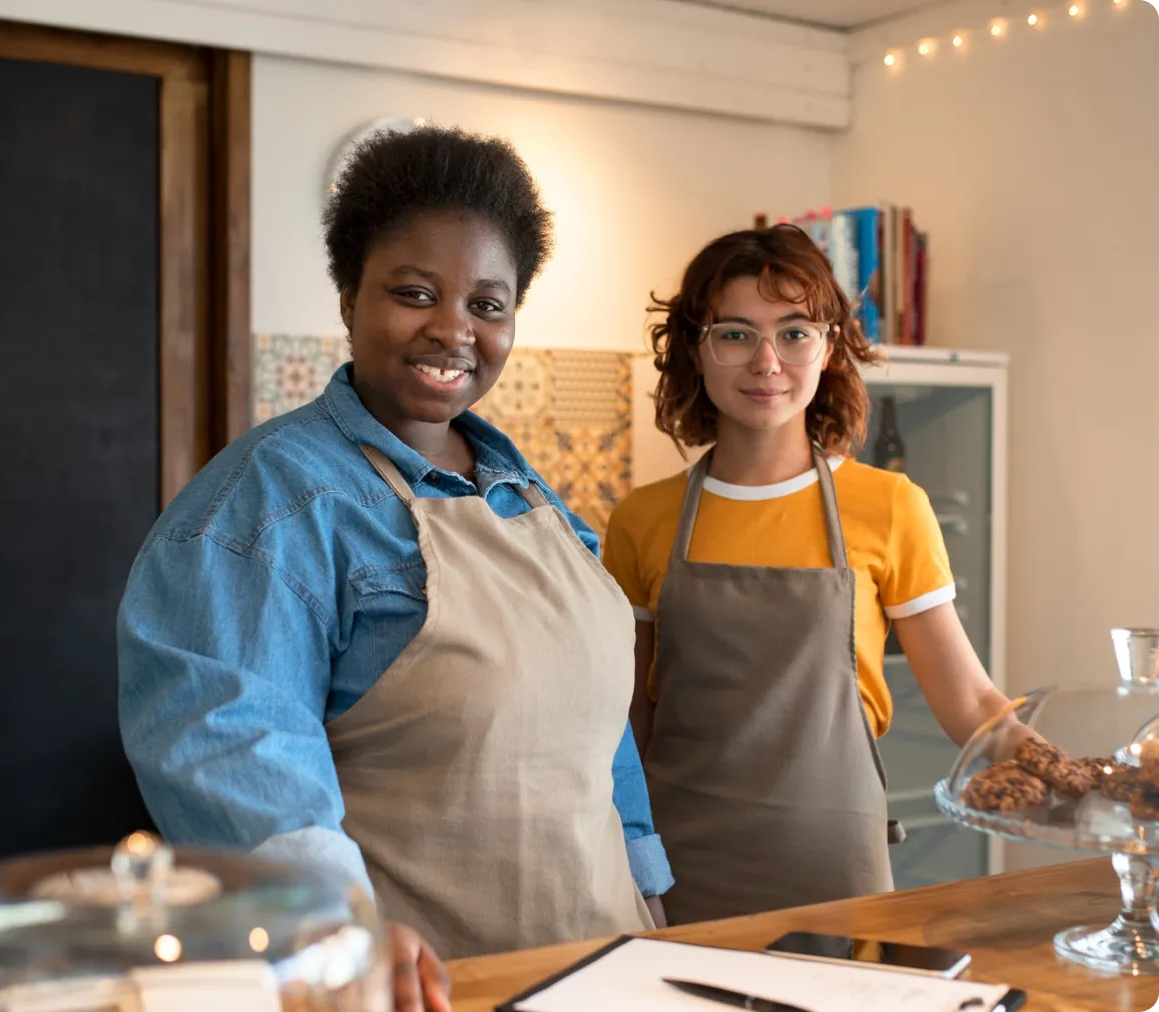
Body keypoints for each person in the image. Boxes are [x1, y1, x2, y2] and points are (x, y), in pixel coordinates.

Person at [117, 125, 672, 1004]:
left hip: (605, 966)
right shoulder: (264, 507)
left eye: (488, 305)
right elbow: (229, 740)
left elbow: (599, 739)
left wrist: (651, 888)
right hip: (421, 986)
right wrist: (336, 927)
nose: (454, 329)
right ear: (347, 297)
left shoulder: (531, 496)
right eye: (415, 293)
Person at [602, 224, 1014, 926]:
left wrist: (1080, 779)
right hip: (678, 870)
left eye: (794, 333)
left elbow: (972, 704)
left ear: (828, 347)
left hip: (835, 869)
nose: (767, 361)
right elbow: (626, 725)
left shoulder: (890, 508)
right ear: (694, 350)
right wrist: (625, 866)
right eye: (735, 334)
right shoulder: (643, 519)